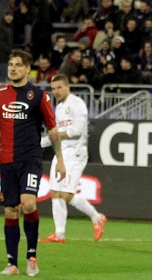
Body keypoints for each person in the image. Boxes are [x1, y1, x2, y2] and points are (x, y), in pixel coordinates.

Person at [0, 50, 65, 278]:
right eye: (11, 64)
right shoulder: (0, 93)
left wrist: (60, 159)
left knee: (29, 204)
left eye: (18, 65)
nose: (13, 68)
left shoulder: (39, 96)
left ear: (27, 69)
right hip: (6, 160)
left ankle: (31, 257)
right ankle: (11, 263)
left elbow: (52, 130)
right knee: (11, 210)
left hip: (30, 159)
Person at [40, 75, 107, 243]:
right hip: (61, 153)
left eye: (59, 88)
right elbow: (54, 137)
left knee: (66, 194)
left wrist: (56, 134)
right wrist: (36, 143)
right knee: (55, 192)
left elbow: (77, 130)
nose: (56, 91)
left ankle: (96, 217)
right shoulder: (59, 108)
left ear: (67, 87)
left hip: (76, 153)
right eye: (53, 89)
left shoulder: (77, 104)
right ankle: (59, 234)